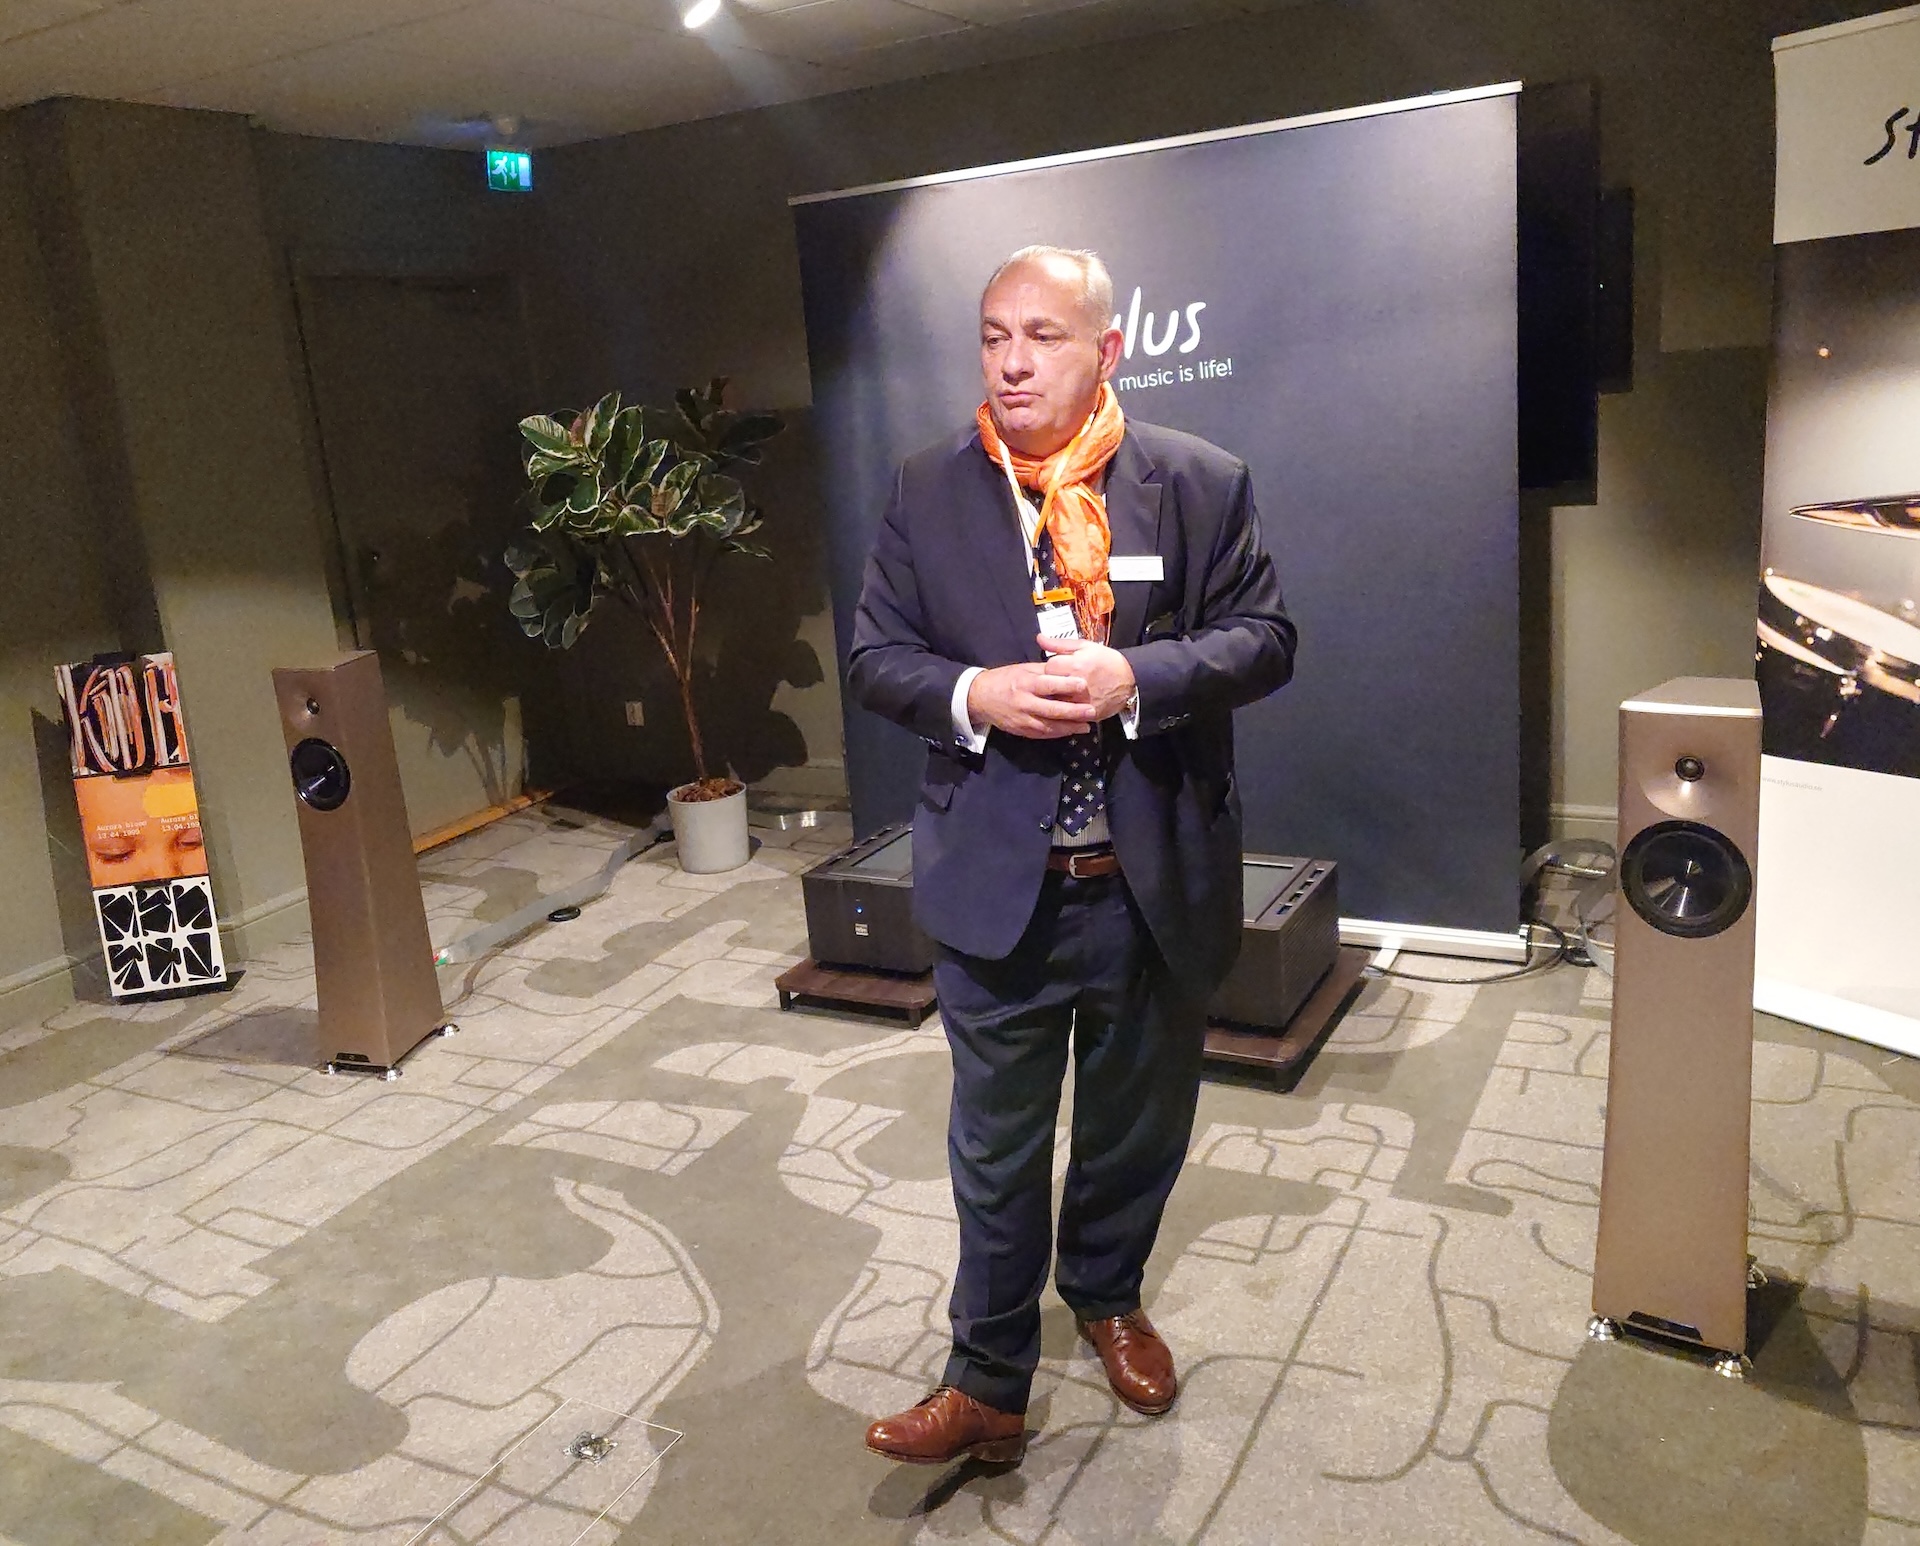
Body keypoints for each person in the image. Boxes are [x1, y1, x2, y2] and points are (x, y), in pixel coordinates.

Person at [847, 245, 1297, 1466]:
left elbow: (1265, 638)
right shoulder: (929, 486)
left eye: (1042, 336)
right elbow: (877, 657)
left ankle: (1107, 1294)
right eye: (995, 335)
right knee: (994, 1148)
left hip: (1152, 884)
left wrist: (1133, 676)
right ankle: (987, 1376)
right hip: (998, 885)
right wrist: (977, 693)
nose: (1012, 361)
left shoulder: (1198, 482)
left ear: (1106, 350)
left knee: (1135, 1126)